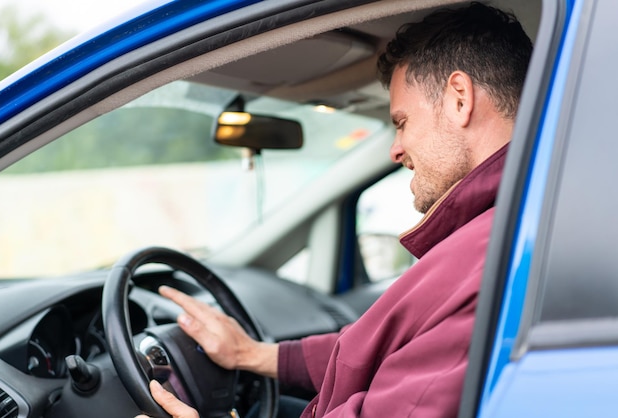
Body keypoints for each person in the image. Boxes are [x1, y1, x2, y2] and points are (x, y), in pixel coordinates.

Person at [135, 2, 533, 417]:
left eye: (401, 122)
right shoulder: (501, 228)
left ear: (459, 98)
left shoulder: (492, 260)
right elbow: (372, 354)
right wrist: (250, 354)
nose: (396, 149)